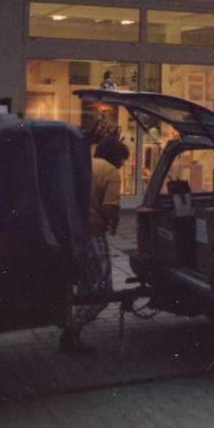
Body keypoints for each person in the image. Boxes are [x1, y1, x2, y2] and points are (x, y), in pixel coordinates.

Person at [60, 137, 128, 354]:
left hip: (73, 233)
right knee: (102, 290)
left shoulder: (86, 164)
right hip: (93, 234)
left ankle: (74, 321)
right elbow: (110, 206)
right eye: (122, 159)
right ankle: (72, 329)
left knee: (84, 284)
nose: (123, 164)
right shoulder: (110, 172)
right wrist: (114, 219)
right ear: (115, 155)